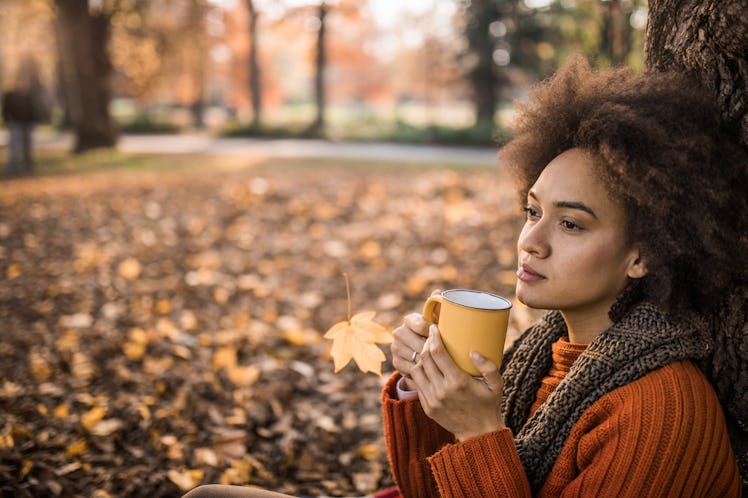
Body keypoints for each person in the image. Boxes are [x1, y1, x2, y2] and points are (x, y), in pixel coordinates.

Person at [183, 57, 747, 497]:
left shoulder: (661, 413)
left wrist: (480, 435)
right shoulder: (542, 353)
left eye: (571, 224)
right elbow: (428, 490)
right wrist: (423, 391)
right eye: (533, 211)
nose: (532, 240)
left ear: (643, 255)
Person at [1, 53, 48, 177]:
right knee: (14, 147)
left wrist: (35, 121)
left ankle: (28, 168)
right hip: (15, 123)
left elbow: (33, 109)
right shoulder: (10, 95)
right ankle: (12, 168)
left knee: (28, 147)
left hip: (27, 123)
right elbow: (6, 109)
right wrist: (7, 121)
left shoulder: (28, 95)